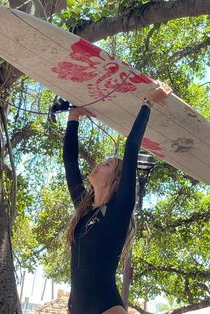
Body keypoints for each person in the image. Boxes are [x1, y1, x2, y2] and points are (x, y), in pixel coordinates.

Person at [63, 83, 172, 314]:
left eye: (106, 164)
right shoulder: (84, 207)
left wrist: (148, 102)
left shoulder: (119, 209)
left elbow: (131, 147)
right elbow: (70, 161)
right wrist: (74, 117)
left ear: (116, 180)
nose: (97, 165)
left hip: (106, 307)